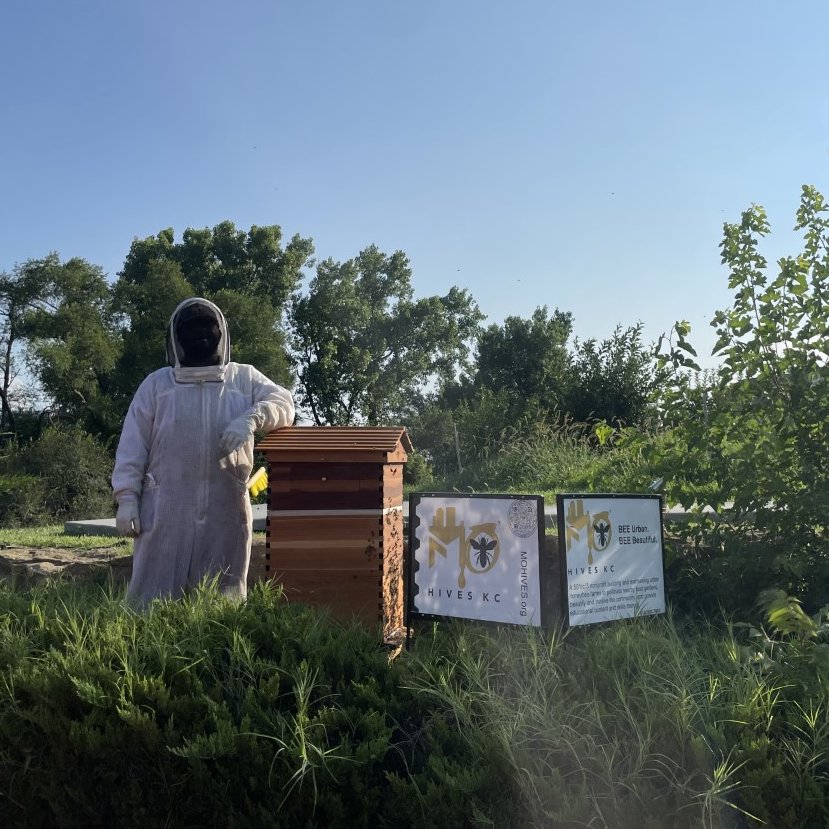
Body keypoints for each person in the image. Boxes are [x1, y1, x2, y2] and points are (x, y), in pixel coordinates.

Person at [112, 297, 294, 607]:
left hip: (227, 506)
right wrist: (127, 499)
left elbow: (284, 405)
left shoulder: (244, 378)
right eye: (191, 330)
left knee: (221, 601)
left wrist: (251, 418)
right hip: (165, 510)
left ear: (221, 333)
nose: (200, 336)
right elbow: (132, 446)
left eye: (207, 329)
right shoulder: (157, 385)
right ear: (176, 338)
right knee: (151, 603)